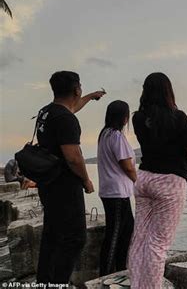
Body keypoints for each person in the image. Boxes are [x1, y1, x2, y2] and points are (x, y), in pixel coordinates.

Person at [128, 72, 187, 288]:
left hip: (144, 179)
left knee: (139, 238)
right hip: (170, 182)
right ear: (169, 91)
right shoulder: (178, 117)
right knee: (158, 244)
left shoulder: (137, 118)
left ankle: (136, 285)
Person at [36, 71, 105, 285]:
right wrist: (86, 180)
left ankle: (45, 282)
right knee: (75, 238)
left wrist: (92, 96)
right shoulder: (66, 119)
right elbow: (73, 157)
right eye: (81, 87)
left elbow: (73, 107)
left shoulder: (46, 112)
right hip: (65, 187)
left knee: (52, 235)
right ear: (76, 89)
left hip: (48, 183)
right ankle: (58, 282)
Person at [97, 100, 136, 276]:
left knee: (126, 231)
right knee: (115, 235)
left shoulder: (104, 134)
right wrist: (139, 182)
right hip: (117, 193)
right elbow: (127, 165)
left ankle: (121, 271)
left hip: (111, 191)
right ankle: (105, 275)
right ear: (124, 117)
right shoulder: (116, 136)